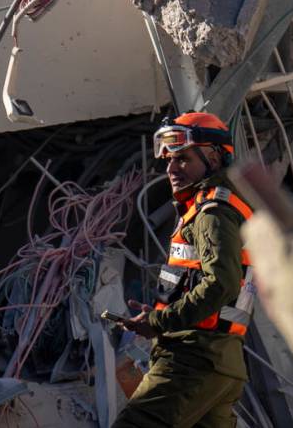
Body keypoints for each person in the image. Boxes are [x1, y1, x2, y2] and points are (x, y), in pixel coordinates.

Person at [112, 112, 256, 428]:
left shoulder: (212, 212)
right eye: (168, 161)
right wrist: (162, 311)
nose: (172, 169)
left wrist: (159, 320)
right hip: (218, 361)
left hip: (192, 360)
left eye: (183, 159)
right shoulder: (215, 207)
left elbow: (222, 283)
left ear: (214, 158)